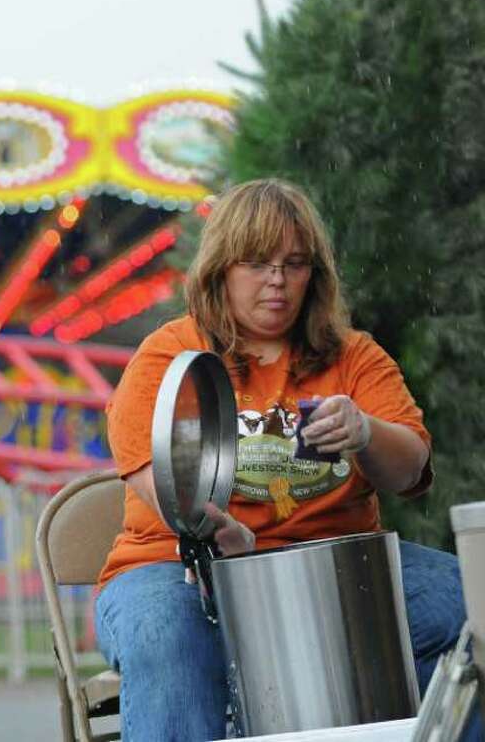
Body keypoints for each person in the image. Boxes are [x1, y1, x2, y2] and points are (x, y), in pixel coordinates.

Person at [93, 178, 471, 740]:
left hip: (338, 570)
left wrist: (365, 431)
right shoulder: (171, 353)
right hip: (177, 569)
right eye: (258, 263)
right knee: (168, 640)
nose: (277, 281)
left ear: (314, 275)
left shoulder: (354, 356)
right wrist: (226, 544)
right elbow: (169, 495)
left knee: (474, 613)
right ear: (221, 268)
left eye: (294, 264)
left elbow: (410, 468)